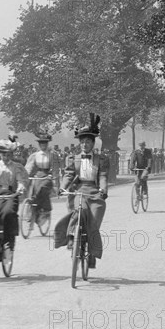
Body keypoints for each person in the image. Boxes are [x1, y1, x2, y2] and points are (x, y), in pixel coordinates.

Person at [54, 114, 108, 269]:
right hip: (79, 191)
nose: (85, 145)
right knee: (79, 210)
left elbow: (103, 176)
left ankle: (92, 253)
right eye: (82, 142)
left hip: (95, 192)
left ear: (93, 143)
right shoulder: (73, 158)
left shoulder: (101, 159)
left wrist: (103, 189)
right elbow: (68, 175)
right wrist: (63, 187)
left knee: (94, 221)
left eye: (88, 142)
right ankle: (72, 236)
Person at [25, 132, 58, 226]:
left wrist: (54, 178)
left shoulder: (52, 155)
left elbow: (55, 168)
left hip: (47, 176)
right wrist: (26, 176)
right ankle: (32, 210)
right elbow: (29, 167)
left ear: (47, 144)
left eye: (44, 143)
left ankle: (44, 209)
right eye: (41, 143)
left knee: (43, 188)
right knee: (32, 190)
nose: (42, 145)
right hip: (37, 175)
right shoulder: (35, 155)